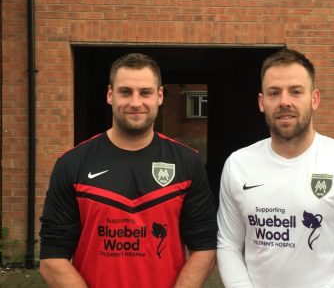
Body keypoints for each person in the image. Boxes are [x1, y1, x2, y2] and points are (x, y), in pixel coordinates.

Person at [39, 53, 218, 288]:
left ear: (160, 96)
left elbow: (205, 248)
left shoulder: (188, 162)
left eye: (145, 92)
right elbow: (52, 257)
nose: (135, 103)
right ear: (110, 95)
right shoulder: (72, 164)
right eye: (125, 92)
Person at [216, 48, 334, 288]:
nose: (284, 101)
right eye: (274, 93)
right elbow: (228, 245)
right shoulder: (238, 164)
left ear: (314, 99)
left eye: (296, 92)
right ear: (261, 102)